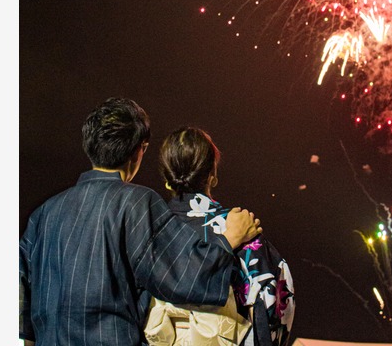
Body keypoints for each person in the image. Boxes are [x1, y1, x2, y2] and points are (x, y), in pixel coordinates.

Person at [20, 98, 262, 346]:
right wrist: (228, 237)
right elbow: (179, 275)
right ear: (140, 150)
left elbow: (21, 302)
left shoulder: (42, 215)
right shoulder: (136, 203)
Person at [144, 127, 295, 346]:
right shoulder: (241, 228)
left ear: (168, 179)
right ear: (212, 175)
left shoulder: (148, 230)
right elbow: (276, 304)